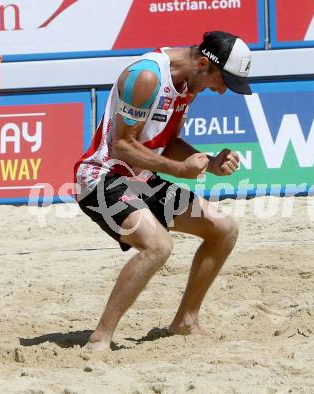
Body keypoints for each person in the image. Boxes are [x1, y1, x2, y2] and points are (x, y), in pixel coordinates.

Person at [74, 31, 252, 351]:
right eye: (222, 80)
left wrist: (211, 163)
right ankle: (100, 338)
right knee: (158, 246)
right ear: (201, 63)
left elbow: (168, 144)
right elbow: (123, 145)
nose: (223, 91)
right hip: (102, 178)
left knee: (224, 230)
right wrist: (180, 171)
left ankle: (185, 322)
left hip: (140, 179)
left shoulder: (188, 85)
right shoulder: (145, 77)